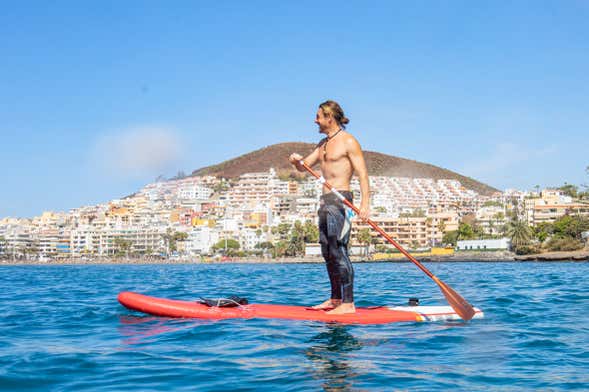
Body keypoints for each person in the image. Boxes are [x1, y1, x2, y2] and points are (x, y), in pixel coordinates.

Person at [289, 100, 370, 314]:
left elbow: (362, 174)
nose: (315, 120)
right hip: (325, 201)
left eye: (318, 116)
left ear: (329, 118)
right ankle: (335, 299)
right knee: (327, 250)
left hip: (342, 200)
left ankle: (348, 303)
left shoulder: (348, 141)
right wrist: (296, 161)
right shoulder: (322, 144)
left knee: (338, 249)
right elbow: (303, 168)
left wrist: (365, 204)